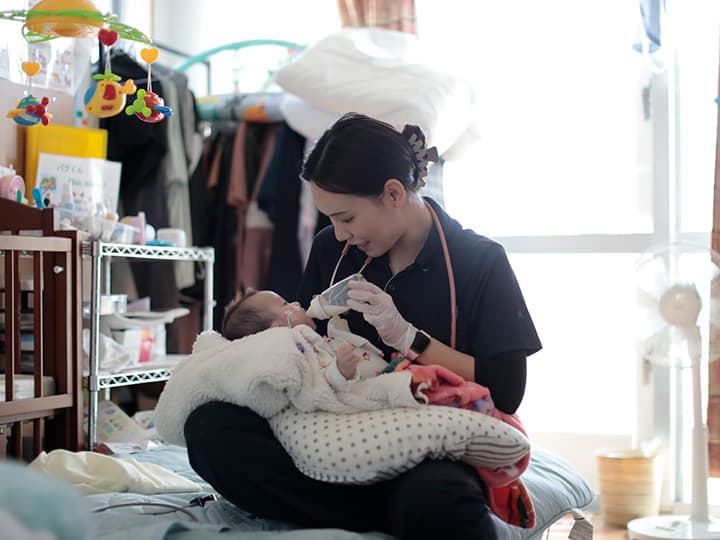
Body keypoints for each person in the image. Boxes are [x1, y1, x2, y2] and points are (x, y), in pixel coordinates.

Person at [184, 113, 542, 540]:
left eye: (347, 218)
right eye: (331, 221)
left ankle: (370, 509)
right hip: (336, 435)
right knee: (209, 430)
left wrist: (409, 338)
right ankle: (386, 513)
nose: (339, 235)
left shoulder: (479, 261)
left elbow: (506, 389)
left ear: (393, 193)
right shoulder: (332, 252)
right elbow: (302, 347)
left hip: (423, 442)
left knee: (436, 497)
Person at [220, 288, 389, 387]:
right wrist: (340, 371)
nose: (296, 303)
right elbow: (318, 385)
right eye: (286, 304)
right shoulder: (302, 356)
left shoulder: (319, 341)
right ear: (278, 329)